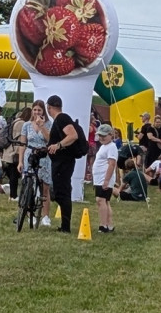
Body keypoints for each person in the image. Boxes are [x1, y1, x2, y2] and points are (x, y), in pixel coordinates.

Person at [46, 95, 83, 234]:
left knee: (62, 192)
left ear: (49, 107)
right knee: (60, 190)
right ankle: (64, 224)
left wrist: (58, 145)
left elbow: (73, 135)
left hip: (64, 162)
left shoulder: (62, 118)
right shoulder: (58, 120)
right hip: (59, 162)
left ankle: (66, 226)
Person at [21, 101, 53, 226]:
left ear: (43, 111)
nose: (37, 112)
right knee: (30, 185)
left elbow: (49, 140)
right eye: (35, 110)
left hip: (43, 155)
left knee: (45, 187)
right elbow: (23, 144)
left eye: (39, 110)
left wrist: (42, 126)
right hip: (30, 155)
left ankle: (45, 216)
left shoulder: (49, 124)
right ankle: (30, 214)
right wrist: (20, 161)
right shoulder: (27, 125)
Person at [92, 123, 118, 232]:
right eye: (100, 136)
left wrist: (106, 180)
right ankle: (109, 224)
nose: (101, 138)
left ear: (111, 135)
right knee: (105, 201)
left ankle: (103, 225)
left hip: (104, 178)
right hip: (99, 178)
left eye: (104, 136)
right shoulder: (104, 146)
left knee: (101, 200)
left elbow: (112, 164)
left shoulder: (111, 147)